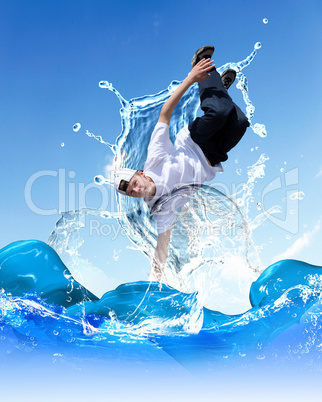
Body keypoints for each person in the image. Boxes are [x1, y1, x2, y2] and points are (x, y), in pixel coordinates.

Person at [114, 46, 249, 282]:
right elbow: (162, 247)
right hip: (212, 158)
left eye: (134, 183)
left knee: (219, 113)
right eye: (131, 192)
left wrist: (191, 78)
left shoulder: (154, 159)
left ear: (141, 174)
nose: (136, 190)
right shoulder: (160, 208)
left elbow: (165, 114)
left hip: (196, 140)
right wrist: (154, 281)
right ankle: (220, 90)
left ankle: (202, 62)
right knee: (240, 123)